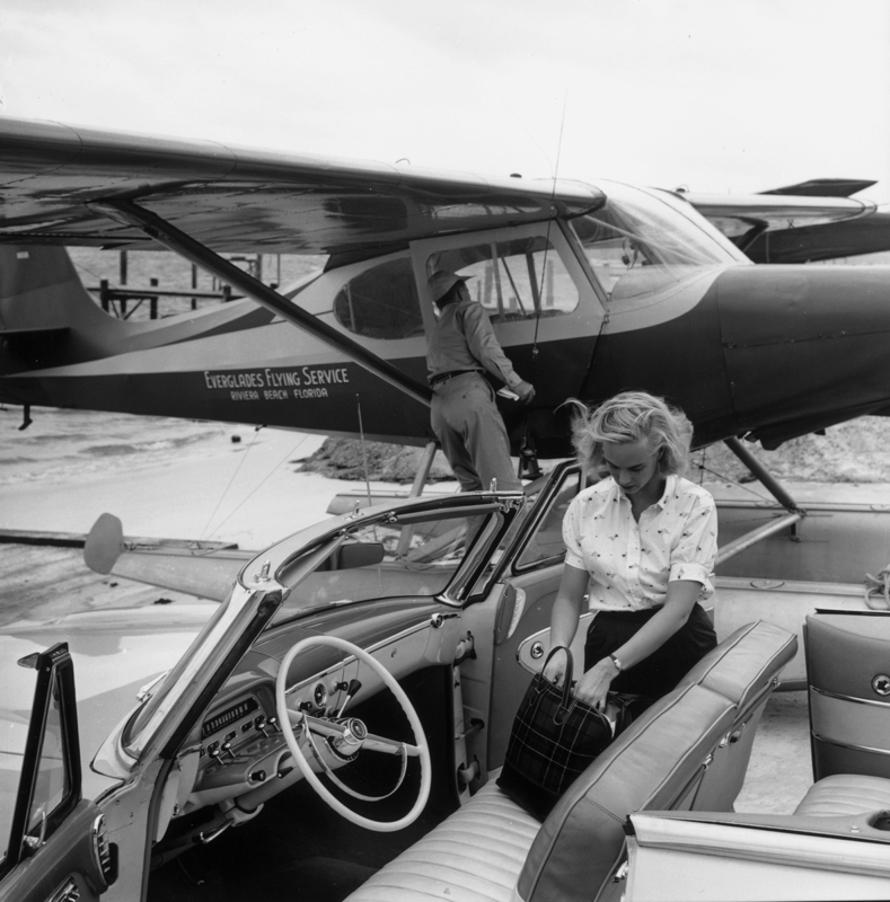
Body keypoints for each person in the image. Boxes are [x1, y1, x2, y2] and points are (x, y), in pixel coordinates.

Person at [544, 390, 718, 715]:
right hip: (607, 639)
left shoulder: (694, 504)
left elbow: (678, 610)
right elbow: (568, 597)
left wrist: (609, 668)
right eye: (612, 466)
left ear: (661, 453)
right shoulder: (586, 506)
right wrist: (558, 648)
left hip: (678, 642)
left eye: (636, 468)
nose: (623, 479)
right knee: (606, 758)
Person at [426, 270, 535, 492]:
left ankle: (480, 526)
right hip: (467, 397)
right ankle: (513, 525)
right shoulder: (469, 309)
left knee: (471, 488)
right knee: (503, 485)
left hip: (438, 407)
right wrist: (517, 384)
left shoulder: (437, 326)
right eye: (464, 287)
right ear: (459, 291)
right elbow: (486, 350)